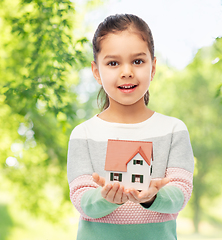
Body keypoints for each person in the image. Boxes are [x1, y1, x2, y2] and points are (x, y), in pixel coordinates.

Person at [67, 14, 194, 240]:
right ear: (96, 71)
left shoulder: (174, 130)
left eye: (137, 61)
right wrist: (104, 198)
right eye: (113, 63)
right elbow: (81, 199)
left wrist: (153, 197)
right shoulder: (83, 134)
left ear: (153, 67)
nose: (127, 71)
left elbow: (181, 192)